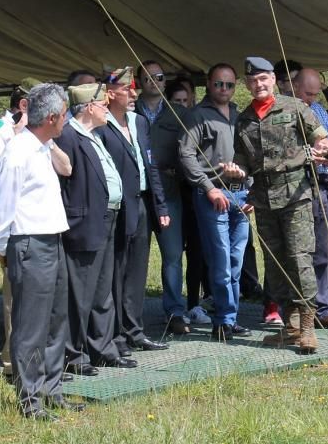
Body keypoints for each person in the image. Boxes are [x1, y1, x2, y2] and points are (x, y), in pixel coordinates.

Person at [223, 57, 328, 353]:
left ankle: (308, 326)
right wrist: (235, 171)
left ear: (273, 79)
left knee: (299, 259)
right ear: (247, 84)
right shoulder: (243, 120)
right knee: (275, 266)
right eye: (253, 80)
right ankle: (290, 325)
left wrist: (323, 148)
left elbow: (321, 139)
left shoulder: (294, 107)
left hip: (296, 195)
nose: (259, 84)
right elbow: (242, 163)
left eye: (263, 79)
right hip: (264, 200)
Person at [0, 83, 83, 420]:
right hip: (29, 241)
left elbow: (66, 167)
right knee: (31, 325)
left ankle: (51, 388)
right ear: (53, 117)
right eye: (64, 115)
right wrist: (3, 247)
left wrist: (51, 142)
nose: (67, 121)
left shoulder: (42, 146)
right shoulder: (18, 151)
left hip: (51, 238)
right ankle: (30, 399)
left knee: (58, 321)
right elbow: (4, 203)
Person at [55, 83, 135, 374]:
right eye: (102, 105)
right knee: (81, 293)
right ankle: (73, 355)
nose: (106, 109)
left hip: (107, 218)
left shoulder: (94, 135)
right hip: (85, 223)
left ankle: (102, 348)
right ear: (89, 107)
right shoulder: (68, 135)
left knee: (103, 290)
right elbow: (64, 182)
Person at [97, 67, 170, 354]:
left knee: (138, 270)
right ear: (110, 93)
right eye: (128, 89)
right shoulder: (100, 124)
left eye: (133, 88)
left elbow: (150, 165)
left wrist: (160, 205)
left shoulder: (139, 122)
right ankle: (115, 334)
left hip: (141, 203)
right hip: (116, 206)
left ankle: (135, 331)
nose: (134, 94)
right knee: (116, 269)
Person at [178, 63, 251, 341]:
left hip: (241, 194)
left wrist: (251, 190)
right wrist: (208, 187)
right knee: (219, 261)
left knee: (235, 260)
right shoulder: (196, 115)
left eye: (229, 85)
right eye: (219, 84)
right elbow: (186, 155)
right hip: (213, 195)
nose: (224, 89)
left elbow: (250, 155)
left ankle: (231, 317)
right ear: (208, 84)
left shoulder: (238, 114)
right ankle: (222, 320)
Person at [0, 83, 33, 374]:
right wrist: (16, 141)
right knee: (15, 295)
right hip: (11, 221)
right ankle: (13, 361)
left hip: (33, 220)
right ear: (24, 105)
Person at [293, 68, 328, 329]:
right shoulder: (283, 111)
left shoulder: (320, 112)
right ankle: (296, 314)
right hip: (293, 189)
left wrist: (326, 154)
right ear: (293, 87)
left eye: (316, 94)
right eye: (307, 93)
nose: (311, 99)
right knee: (296, 253)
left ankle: (324, 310)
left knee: (322, 251)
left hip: (320, 184)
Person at [143, 77, 192, 335]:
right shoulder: (129, 109)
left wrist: (181, 174)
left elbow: (194, 147)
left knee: (173, 256)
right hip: (139, 195)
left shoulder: (179, 111)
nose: (154, 80)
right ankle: (126, 316)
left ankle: (175, 311)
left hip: (169, 192)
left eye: (159, 76)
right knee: (133, 260)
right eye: (148, 75)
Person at [136, 60, 167, 126]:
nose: (154, 81)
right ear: (139, 83)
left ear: (164, 81)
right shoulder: (129, 111)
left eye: (159, 77)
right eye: (148, 78)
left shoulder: (178, 112)